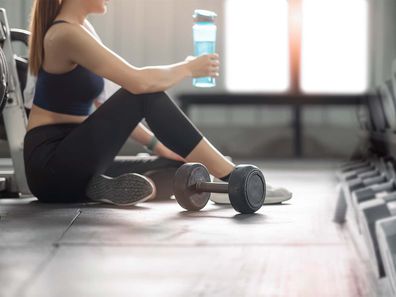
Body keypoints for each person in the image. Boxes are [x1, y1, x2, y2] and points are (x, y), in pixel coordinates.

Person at [24, 0, 292, 206]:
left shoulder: (84, 30)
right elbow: (139, 83)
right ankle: (233, 177)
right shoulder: (64, 35)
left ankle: (98, 187)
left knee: (182, 167)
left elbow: (107, 106)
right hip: (52, 164)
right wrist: (188, 68)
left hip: (80, 157)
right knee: (143, 92)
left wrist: (160, 147)